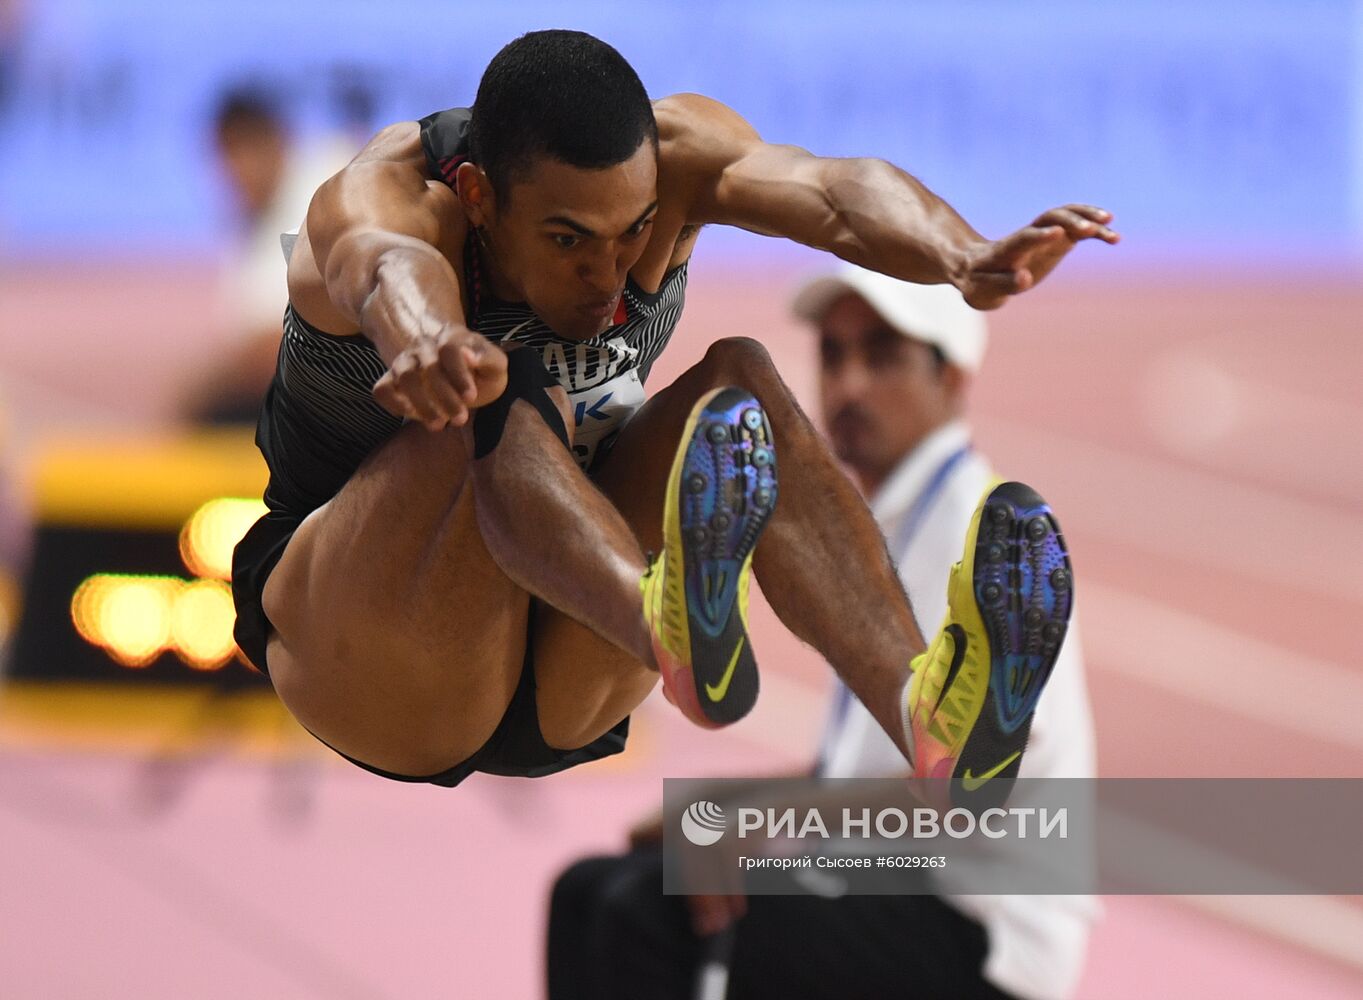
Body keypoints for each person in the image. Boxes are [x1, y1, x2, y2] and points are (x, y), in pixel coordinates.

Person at [230, 29, 1116, 796]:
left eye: (634, 232)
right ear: (479, 198)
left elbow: (836, 193)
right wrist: (425, 341)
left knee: (740, 383)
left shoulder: (678, 151)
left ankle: (921, 716)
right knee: (496, 389)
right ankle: (658, 617)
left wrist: (958, 253)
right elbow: (385, 267)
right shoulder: (385, 197)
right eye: (569, 239)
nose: (608, 277)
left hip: (565, 655)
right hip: (378, 656)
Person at [545, 269, 1097, 1000]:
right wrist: (715, 811)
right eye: (833, 355)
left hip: (980, 929)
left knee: (639, 917)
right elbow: (853, 776)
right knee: (585, 891)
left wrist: (750, 826)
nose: (848, 386)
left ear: (954, 377)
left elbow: (975, 785)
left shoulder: (985, 538)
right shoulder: (888, 521)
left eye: (882, 354)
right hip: (896, 886)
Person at [181, 88, 357, 424]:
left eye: (242, 152)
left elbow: (294, 341)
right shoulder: (250, 228)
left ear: (276, 140)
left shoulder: (325, 186)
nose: (234, 171)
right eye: (226, 157)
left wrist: (209, 386)